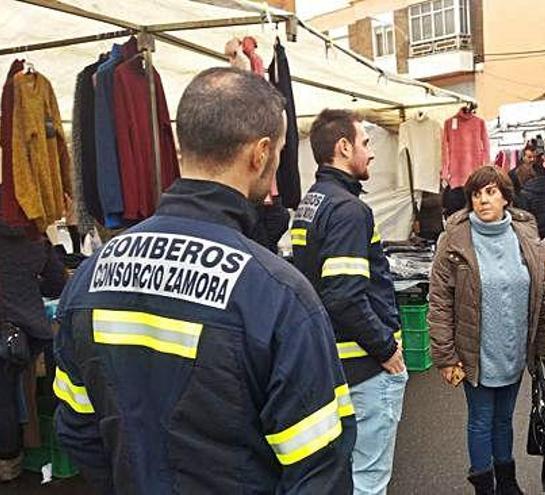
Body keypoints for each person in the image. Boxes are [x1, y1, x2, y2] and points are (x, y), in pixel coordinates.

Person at [53, 68, 355, 493]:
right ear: (260, 153)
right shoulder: (278, 295)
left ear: (183, 145)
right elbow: (320, 467)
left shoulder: (90, 276)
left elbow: (76, 427)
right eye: (282, 150)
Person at [291, 109, 407, 495]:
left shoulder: (312, 202)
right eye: (365, 143)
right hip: (364, 364)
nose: (370, 153)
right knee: (369, 479)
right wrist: (386, 349)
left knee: (344, 471)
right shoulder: (349, 210)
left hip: (333, 360)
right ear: (343, 148)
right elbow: (344, 295)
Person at [429, 166, 545, 495]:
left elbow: (537, 294)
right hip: (475, 350)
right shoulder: (454, 240)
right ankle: (484, 485)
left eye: (491, 192)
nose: (483, 200)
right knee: (482, 419)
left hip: (513, 347)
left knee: (504, 419)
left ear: (506, 197)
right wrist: (445, 356)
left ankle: (507, 480)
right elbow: (439, 301)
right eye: (476, 194)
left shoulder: (525, 235)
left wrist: (540, 344)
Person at [0, 225, 66, 481]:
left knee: (5, 396)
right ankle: (11, 458)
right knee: (12, 393)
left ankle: (9, 459)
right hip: (25, 331)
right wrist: (30, 285)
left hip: (10, 332)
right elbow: (57, 284)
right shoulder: (33, 238)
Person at [511, 145, 545, 241]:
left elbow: (524, 213)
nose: (532, 159)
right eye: (529, 157)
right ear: (522, 157)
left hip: (533, 227)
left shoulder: (524, 191)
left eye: (534, 157)